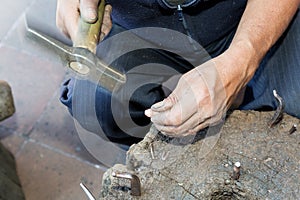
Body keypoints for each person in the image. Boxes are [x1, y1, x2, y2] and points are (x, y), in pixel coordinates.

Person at [56, 0, 300, 145]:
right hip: (147, 34)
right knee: (96, 101)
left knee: (294, 104)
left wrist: (242, 59)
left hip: (247, 18)